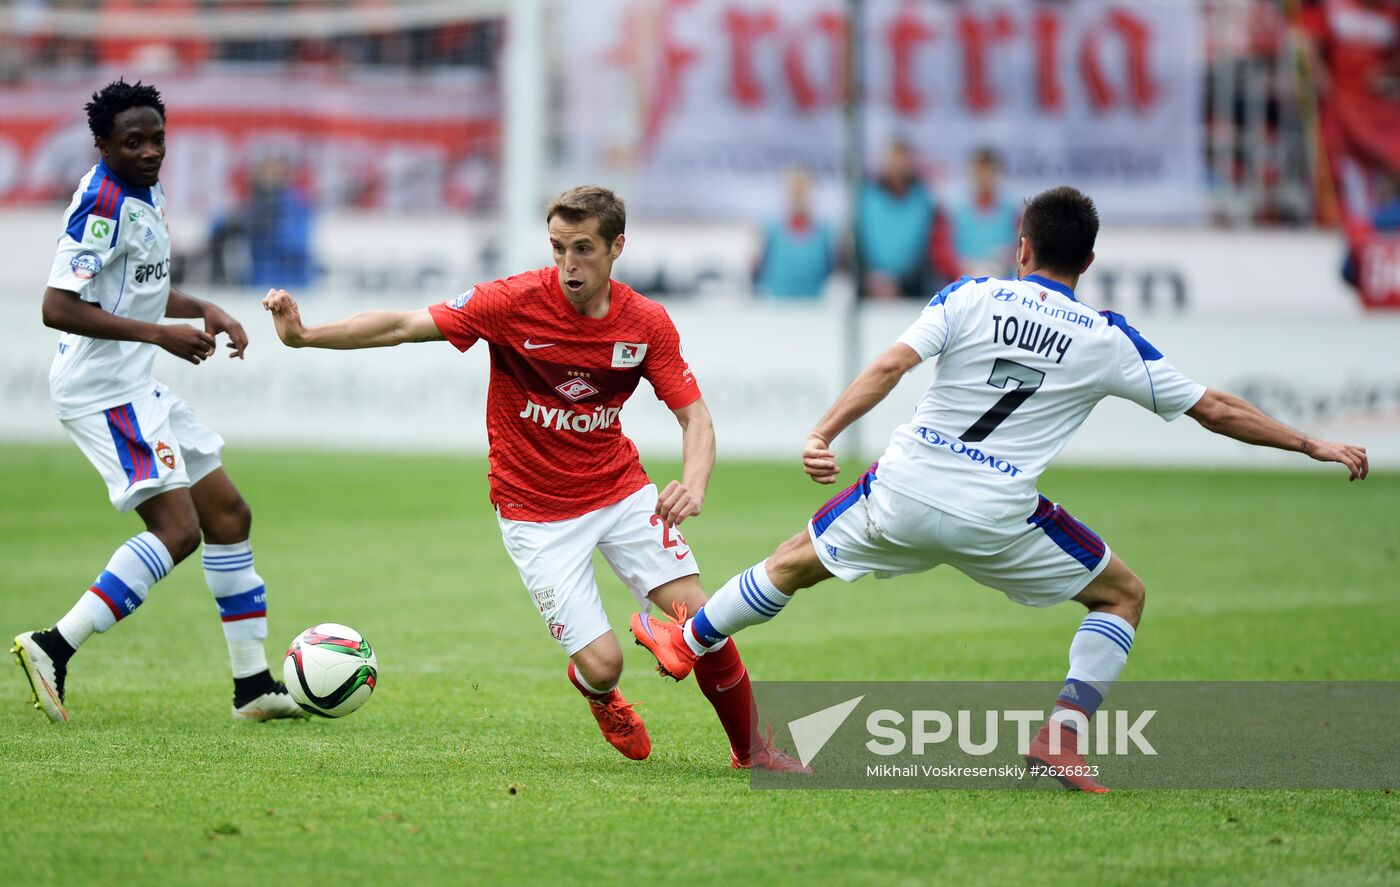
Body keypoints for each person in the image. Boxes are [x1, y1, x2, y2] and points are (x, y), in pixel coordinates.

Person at [633, 186, 1370, 792]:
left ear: (1021, 248)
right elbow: (1214, 408)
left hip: (904, 488)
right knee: (1122, 596)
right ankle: (1063, 734)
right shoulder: (1106, 337)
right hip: (996, 514)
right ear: (1088, 261)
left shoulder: (972, 295)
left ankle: (688, 639)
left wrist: (822, 431)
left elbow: (891, 365)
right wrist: (1310, 442)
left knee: (793, 560)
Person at [261, 186, 807, 772]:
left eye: (583, 248)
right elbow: (402, 325)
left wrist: (694, 485)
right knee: (605, 665)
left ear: (616, 247)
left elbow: (695, 417)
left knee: (702, 619)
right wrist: (305, 336)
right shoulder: (511, 302)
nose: (569, 264)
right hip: (535, 513)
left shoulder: (645, 322)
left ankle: (753, 751)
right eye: (558, 248)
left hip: (620, 491)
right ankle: (599, 693)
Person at [12, 79, 304, 724]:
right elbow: (57, 306)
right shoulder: (100, 204)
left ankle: (253, 687)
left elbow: (138, 287)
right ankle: (53, 646)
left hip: (134, 384)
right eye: (132, 142)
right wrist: (159, 335)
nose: (149, 152)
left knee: (228, 515)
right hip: (102, 390)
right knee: (177, 531)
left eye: (157, 139)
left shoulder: (146, 191)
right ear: (102, 144)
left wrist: (202, 308)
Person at [857, 139, 958, 299]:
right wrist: (872, 278)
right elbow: (856, 244)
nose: (897, 167)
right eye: (893, 161)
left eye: (902, 161)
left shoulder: (924, 202)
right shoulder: (866, 198)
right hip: (869, 285)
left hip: (912, 288)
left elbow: (931, 249)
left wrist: (900, 282)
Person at [754, 166, 835, 299]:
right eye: (794, 191)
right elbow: (758, 273)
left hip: (814, 307)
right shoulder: (771, 231)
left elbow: (830, 272)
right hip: (777, 307)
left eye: (803, 191)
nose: (798, 197)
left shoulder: (824, 234)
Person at [950, 148, 1019, 279]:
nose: (983, 179)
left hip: (1003, 280)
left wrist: (1005, 262)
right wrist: (960, 268)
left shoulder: (1011, 213)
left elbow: (1018, 251)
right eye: (979, 173)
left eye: (988, 173)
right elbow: (946, 252)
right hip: (964, 281)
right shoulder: (956, 212)